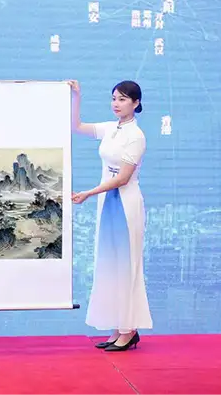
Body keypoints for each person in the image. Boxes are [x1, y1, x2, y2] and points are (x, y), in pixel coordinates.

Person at [69, 79, 152, 352]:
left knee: (127, 266)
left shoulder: (136, 136)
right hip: (107, 202)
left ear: (136, 103)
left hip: (126, 204)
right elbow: (76, 127)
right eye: (114, 98)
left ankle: (129, 331)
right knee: (111, 265)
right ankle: (119, 328)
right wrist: (77, 96)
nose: (116, 103)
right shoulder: (110, 128)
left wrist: (89, 192)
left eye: (123, 99)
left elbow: (123, 178)